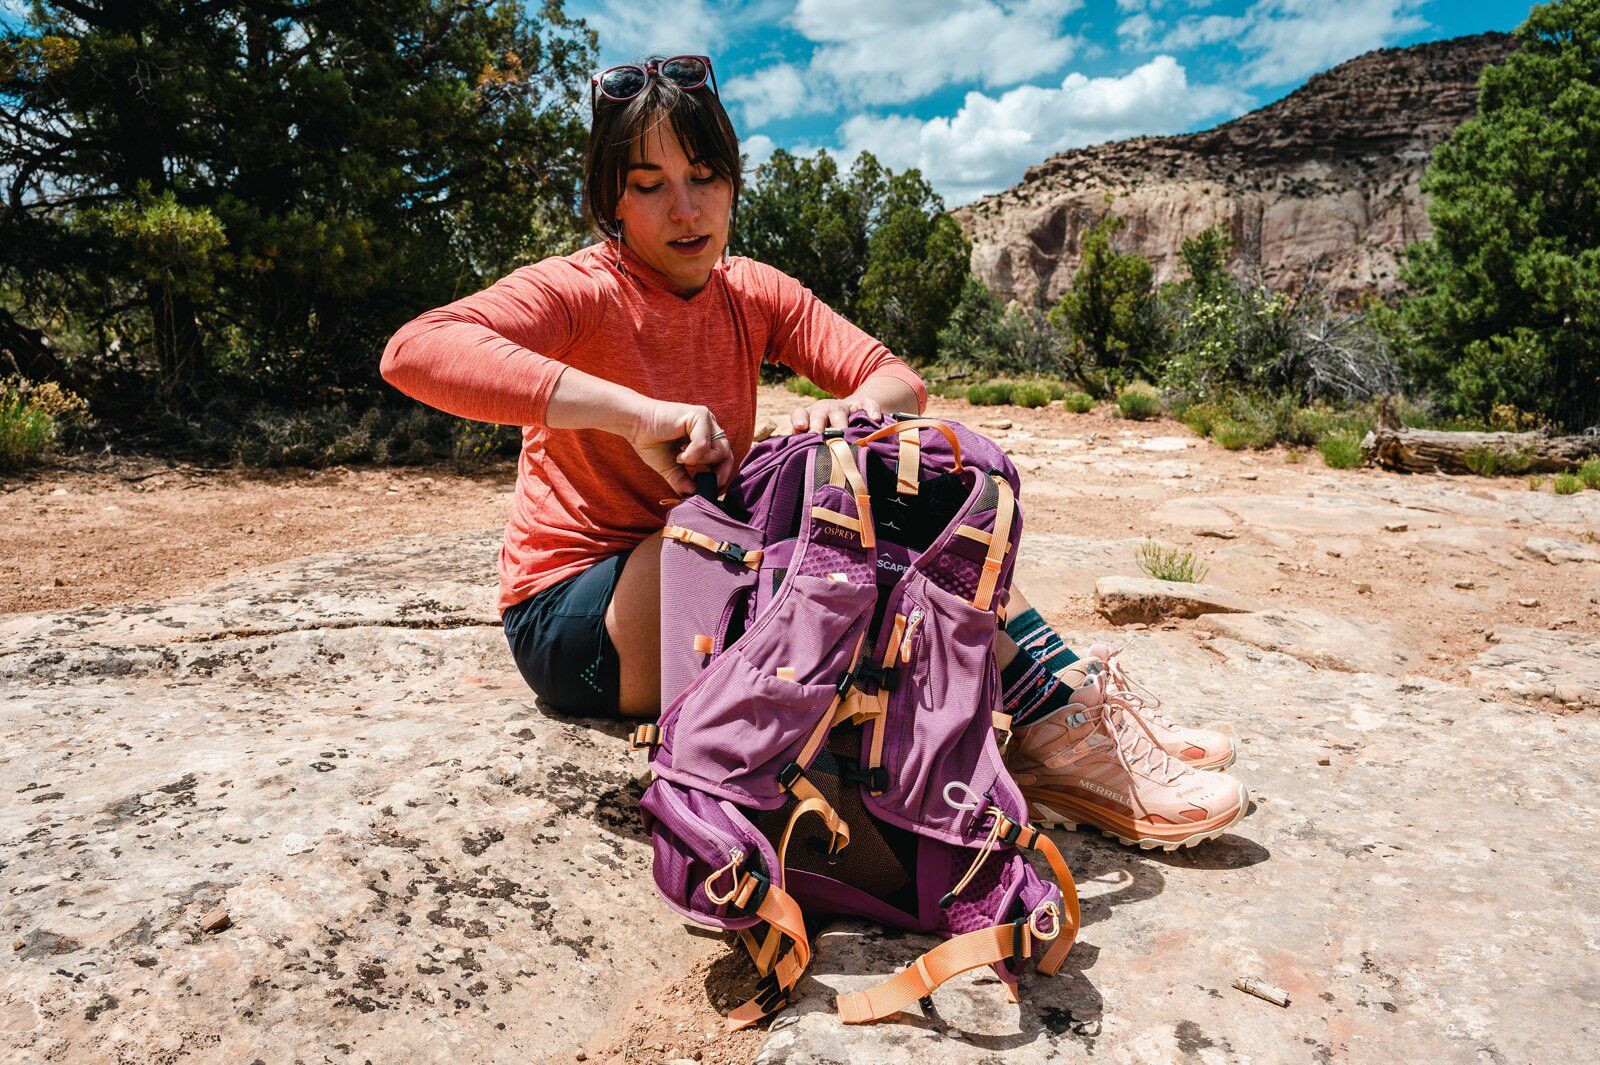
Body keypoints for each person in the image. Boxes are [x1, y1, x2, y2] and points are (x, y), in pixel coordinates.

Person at [380, 53, 1247, 850]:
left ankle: (1061, 700)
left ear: (732, 179)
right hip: (583, 616)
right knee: (827, 520)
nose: (685, 209)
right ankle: (1054, 721)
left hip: (703, 571)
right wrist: (634, 415)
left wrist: (855, 411)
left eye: (704, 176)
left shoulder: (749, 291)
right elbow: (415, 350)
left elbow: (895, 379)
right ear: (612, 199)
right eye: (649, 186)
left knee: (888, 479)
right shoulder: (579, 291)